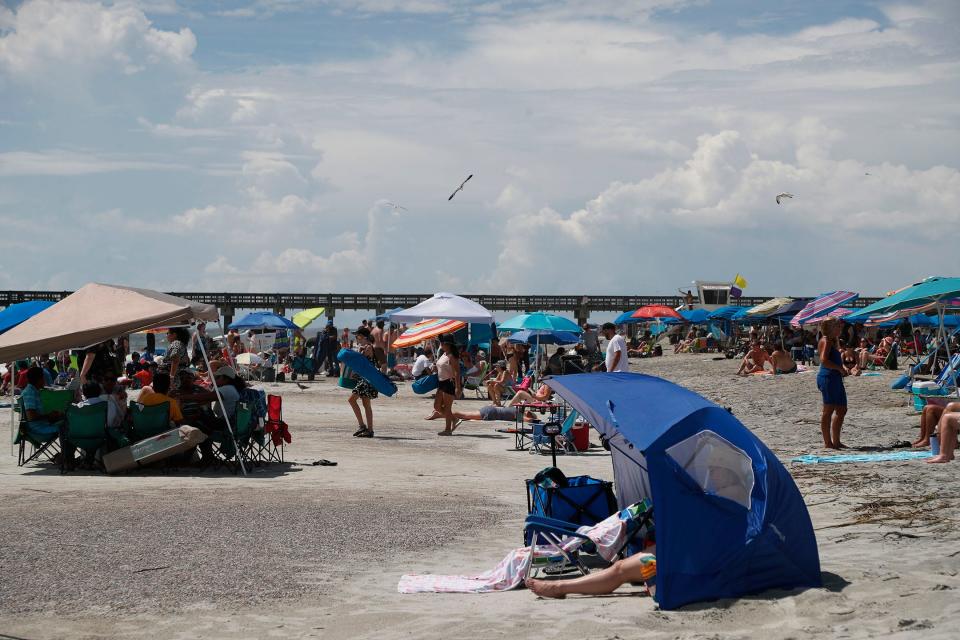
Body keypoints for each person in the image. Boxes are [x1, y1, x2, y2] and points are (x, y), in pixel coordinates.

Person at [525, 551, 656, 599]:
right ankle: (559, 587)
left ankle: (559, 588)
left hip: (672, 566)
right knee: (620, 567)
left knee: (620, 570)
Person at [817, 318, 849, 449]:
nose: (839, 329)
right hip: (828, 377)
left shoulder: (832, 341)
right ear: (831, 328)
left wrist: (842, 368)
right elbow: (823, 360)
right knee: (828, 410)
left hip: (834, 377)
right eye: (837, 327)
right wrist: (839, 368)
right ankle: (828, 442)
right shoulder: (826, 341)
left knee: (842, 409)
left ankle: (836, 441)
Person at [348, 327, 378, 438]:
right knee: (366, 405)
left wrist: (359, 352)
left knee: (352, 400)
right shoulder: (366, 347)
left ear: (364, 337)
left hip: (367, 380)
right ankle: (369, 430)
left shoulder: (368, 347)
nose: (356, 338)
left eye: (358, 336)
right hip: (366, 379)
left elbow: (360, 362)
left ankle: (363, 426)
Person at [20, 366, 64, 439]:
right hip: (37, 428)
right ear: (39, 380)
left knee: (65, 422)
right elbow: (31, 416)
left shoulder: (34, 391)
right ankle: (66, 450)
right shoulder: (30, 392)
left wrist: (52, 416)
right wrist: (48, 415)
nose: (44, 381)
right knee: (66, 429)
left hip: (42, 424)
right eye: (43, 378)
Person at [436, 336, 461, 436]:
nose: (441, 344)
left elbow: (457, 372)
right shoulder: (444, 354)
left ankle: (448, 429)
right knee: (437, 407)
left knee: (447, 407)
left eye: (442, 343)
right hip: (441, 382)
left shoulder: (452, 356)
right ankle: (454, 419)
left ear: (448, 344)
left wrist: (458, 387)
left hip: (449, 382)